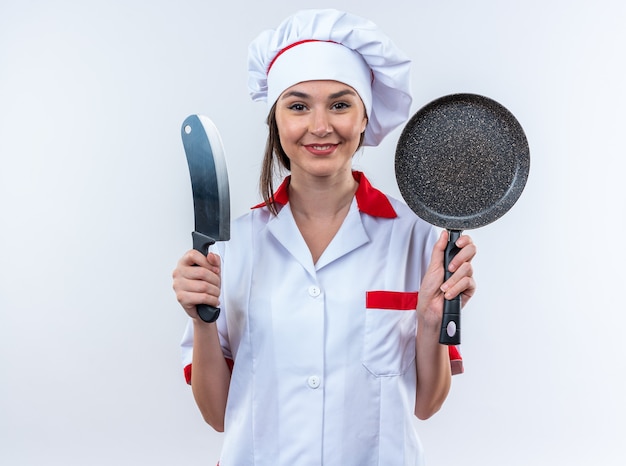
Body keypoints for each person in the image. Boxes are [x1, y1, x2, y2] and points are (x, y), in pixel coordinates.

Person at [172, 8, 476, 465]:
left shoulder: (418, 239)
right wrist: (201, 320)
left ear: (364, 118)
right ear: (276, 120)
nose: (320, 126)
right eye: (298, 106)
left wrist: (432, 320)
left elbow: (426, 405)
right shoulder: (230, 245)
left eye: (340, 104)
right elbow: (218, 415)